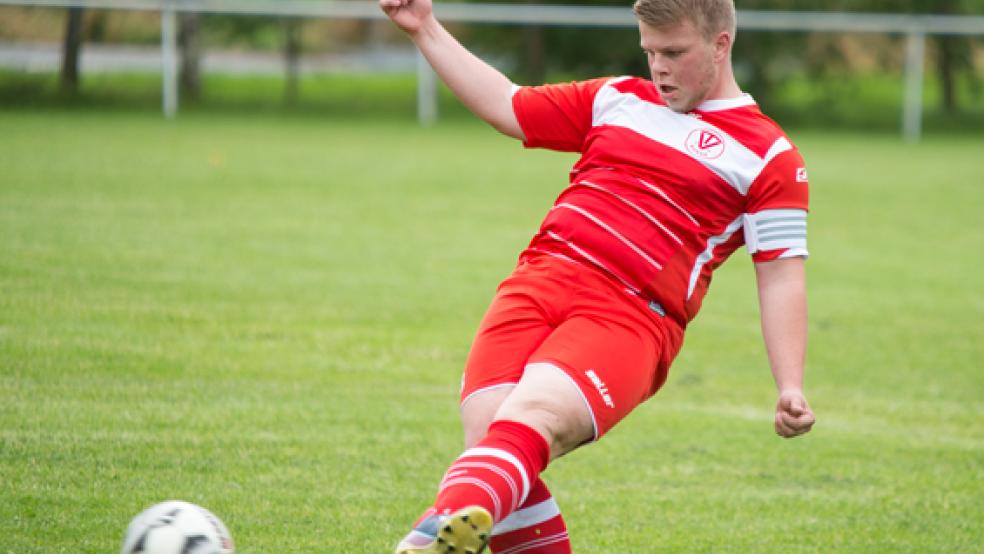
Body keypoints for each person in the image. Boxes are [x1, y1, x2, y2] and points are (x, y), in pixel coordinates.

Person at [379, 0, 816, 552]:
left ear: (720, 45)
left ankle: (427, 536)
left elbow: (781, 276)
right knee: (490, 437)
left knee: (529, 418)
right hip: (537, 281)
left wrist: (790, 384)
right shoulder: (618, 98)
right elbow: (508, 106)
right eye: (650, 52)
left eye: (674, 53)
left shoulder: (770, 157)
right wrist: (425, 28)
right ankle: (445, 527)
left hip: (629, 315)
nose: (659, 67)